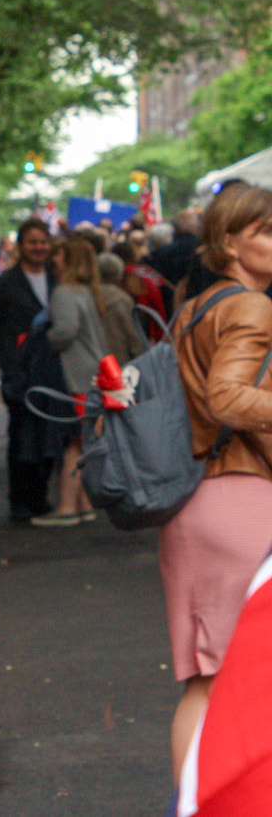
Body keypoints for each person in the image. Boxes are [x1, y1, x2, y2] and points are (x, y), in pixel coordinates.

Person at [162, 183, 272, 782]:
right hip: (243, 499)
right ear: (230, 243)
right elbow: (226, 397)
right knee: (253, 670)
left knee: (205, 681)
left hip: (194, 499)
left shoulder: (193, 306)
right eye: (267, 232)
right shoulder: (253, 306)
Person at [0, 218, 60, 522]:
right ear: (21, 245)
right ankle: (20, 499)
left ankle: (40, 496)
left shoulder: (57, 280)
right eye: (32, 241)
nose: (38, 247)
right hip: (20, 371)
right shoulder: (4, 283)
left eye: (43, 241)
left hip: (51, 370)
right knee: (21, 435)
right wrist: (8, 355)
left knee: (50, 433)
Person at [33, 235, 106, 526]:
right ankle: (84, 503)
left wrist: (40, 343)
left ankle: (66, 508)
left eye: (60, 256)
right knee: (84, 441)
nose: (54, 261)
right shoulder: (87, 291)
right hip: (93, 374)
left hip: (75, 376)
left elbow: (65, 331)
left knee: (73, 444)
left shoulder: (64, 292)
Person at [96, 252, 148, 366]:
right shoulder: (122, 299)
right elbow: (133, 335)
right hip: (118, 361)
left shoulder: (86, 296)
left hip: (93, 359)